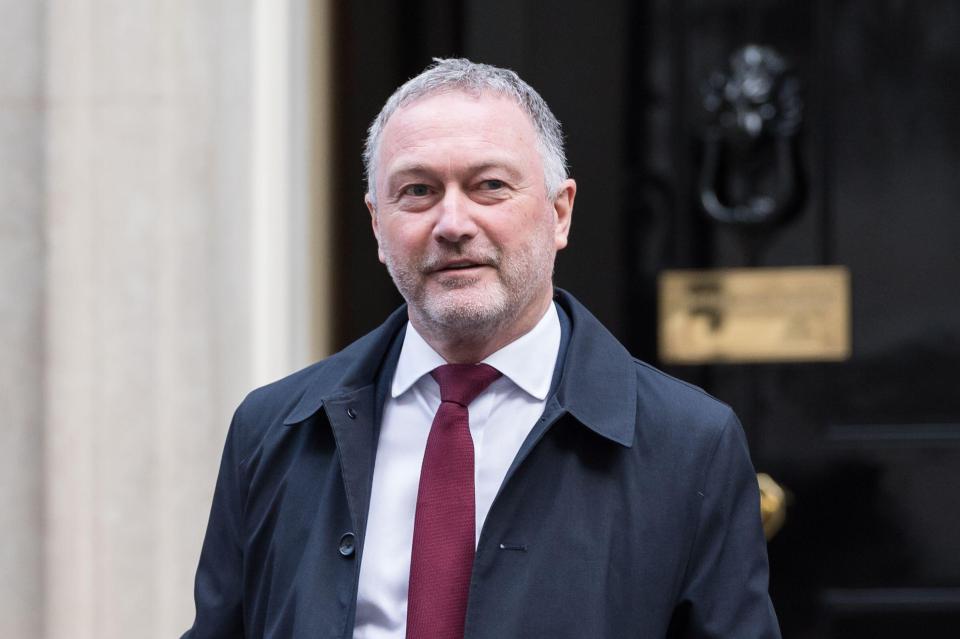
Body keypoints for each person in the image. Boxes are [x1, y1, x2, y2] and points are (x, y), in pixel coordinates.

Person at [183, 58, 781, 639]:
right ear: (377, 225)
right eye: (417, 191)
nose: (452, 223)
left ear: (559, 213)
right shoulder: (272, 431)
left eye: (489, 186)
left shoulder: (689, 445)